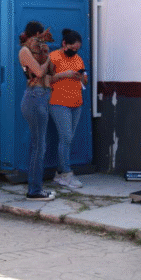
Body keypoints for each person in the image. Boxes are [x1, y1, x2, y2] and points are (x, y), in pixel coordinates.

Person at [18, 21, 56, 201]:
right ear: (35, 34)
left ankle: (34, 188)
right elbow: (39, 73)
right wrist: (48, 56)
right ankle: (34, 190)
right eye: (41, 36)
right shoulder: (24, 51)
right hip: (34, 97)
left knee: (38, 146)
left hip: (41, 96)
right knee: (39, 147)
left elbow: (50, 73)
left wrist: (46, 54)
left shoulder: (36, 51)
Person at [49, 29, 87, 189]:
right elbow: (46, 78)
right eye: (72, 48)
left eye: (77, 49)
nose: (74, 51)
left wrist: (82, 77)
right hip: (58, 102)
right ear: (64, 44)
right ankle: (66, 173)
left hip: (76, 102)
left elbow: (85, 80)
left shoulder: (78, 59)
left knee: (68, 139)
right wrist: (65, 74)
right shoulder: (53, 57)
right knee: (66, 137)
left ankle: (60, 173)